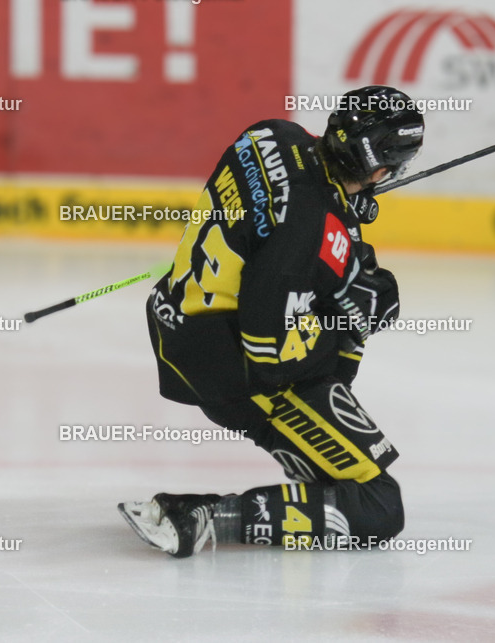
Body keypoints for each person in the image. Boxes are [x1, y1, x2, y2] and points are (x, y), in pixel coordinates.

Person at [119, 86, 424, 557]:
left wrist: (342, 214)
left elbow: (281, 217)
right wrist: (351, 316)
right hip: (228, 364)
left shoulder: (271, 133)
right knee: (377, 508)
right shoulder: (312, 223)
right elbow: (268, 348)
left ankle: (311, 456)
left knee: (330, 470)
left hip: (179, 319)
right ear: (381, 166)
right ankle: (203, 517)